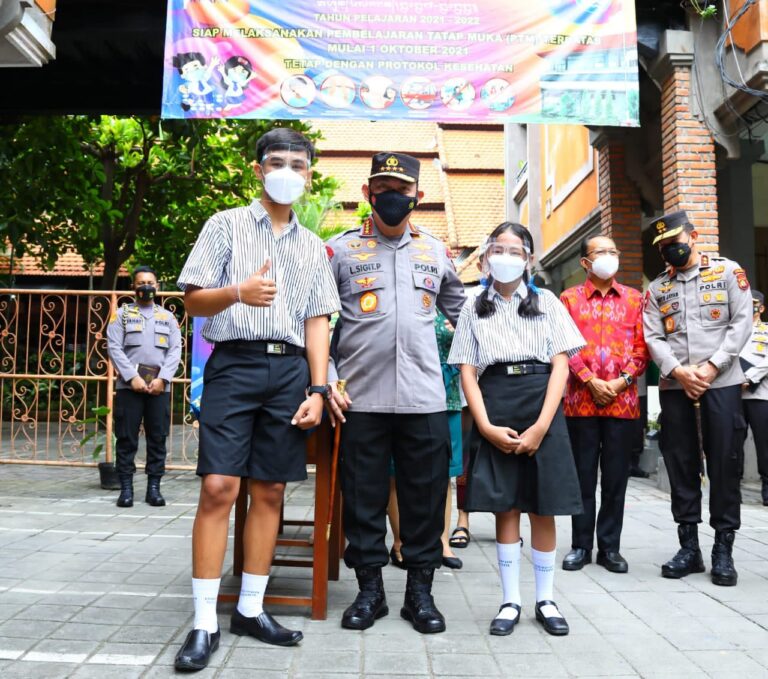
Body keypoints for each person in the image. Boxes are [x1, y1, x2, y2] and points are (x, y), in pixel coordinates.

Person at [173, 129, 340, 672]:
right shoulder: (225, 225)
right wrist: (238, 293)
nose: (287, 171)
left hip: (290, 371)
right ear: (258, 169)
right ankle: (204, 622)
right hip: (234, 364)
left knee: (270, 489)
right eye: (276, 162)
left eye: (298, 164)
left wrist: (318, 389)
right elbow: (193, 300)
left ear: (309, 173)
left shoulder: (313, 246)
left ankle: (250, 609)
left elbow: (318, 320)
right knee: (219, 487)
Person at [325, 151, 466, 634]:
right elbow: (315, 321)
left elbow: (465, 318)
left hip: (424, 399)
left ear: (417, 196)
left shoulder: (435, 252)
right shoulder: (340, 251)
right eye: (382, 188)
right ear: (368, 193)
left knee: (424, 500)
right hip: (360, 398)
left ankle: (419, 595)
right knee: (362, 499)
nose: (391, 196)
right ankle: (370, 592)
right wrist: (326, 376)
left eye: (401, 190)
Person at [448, 222, 585, 637]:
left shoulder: (548, 302)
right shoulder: (472, 307)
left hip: (542, 402)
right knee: (506, 506)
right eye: (498, 249)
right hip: (496, 402)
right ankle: (510, 600)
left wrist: (543, 425)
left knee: (543, 506)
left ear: (528, 259)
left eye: (515, 250)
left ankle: (546, 599)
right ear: (486, 256)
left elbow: (561, 365)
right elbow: (467, 372)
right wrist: (486, 426)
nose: (505, 257)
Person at [643, 210, 752, 586]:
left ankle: (723, 550)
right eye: (662, 246)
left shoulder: (727, 272)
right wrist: (678, 371)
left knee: (724, 463)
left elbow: (742, 322)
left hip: (721, 384)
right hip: (677, 388)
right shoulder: (658, 288)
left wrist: (712, 367)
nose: (668, 250)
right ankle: (689, 548)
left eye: (674, 242)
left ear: (693, 236)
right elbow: (653, 336)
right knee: (680, 463)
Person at [560, 235, 648, 573]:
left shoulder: (635, 299)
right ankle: (580, 545)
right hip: (580, 403)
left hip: (622, 404)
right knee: (582, 477)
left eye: (613, 251)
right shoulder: (568, 299)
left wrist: (619, 382)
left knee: (616, 479)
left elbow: (642, 349)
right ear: (585, 262)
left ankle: (610, 548)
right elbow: (563, 345)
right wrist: (589, 381)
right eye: (601, 252)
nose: (609, 256)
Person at [386, 310, 464, 571]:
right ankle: (400, 541)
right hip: (402, 392)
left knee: (444, 473)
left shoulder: (452, 308)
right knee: (395, 472)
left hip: (447, 396)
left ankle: (442, 541)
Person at [106, 266, 181, 509]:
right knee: (126, 438)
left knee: (157, 438)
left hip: (159, 389)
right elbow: (114, 348)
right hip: (129, 388)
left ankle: (154, 489)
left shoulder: (167, 317)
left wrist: (163, 379)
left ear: (157, 286)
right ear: (133, 287)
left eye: (150, 282)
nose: (146, 286)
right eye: (141, 283)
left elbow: (175, 350)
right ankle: (126, 489)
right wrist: (132, 377)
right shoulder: (121, 315)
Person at [739, 290, 768, 505]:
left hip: (760, 395)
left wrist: (749, 377)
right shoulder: (733, 330)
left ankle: (767, 486)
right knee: (732, 443)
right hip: (735, 396)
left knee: (764, 443)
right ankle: (733, 488)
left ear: (762, 308)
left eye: (754, 303)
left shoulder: (766, 331)